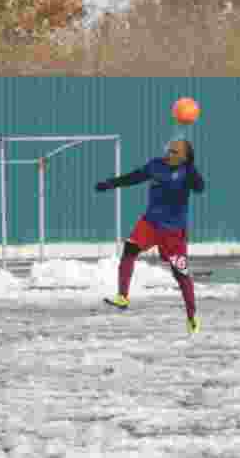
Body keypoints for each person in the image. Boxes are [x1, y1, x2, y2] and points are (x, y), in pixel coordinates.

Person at [95, 139, 205, 334]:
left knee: (180, 274)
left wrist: (191, 168)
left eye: (174, 151)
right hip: (150, 223)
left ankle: (192, 317)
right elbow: (134, 177)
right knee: (129, 250)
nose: (169, 153)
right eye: (168, 149)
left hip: (173, 232)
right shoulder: (156, 165)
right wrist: (111, 183)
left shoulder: (187, 172)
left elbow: (200, 187)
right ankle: (122, 296)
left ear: (184, 157)